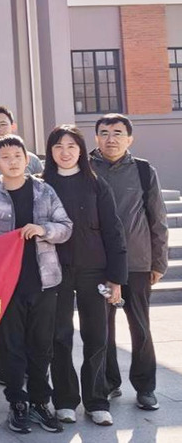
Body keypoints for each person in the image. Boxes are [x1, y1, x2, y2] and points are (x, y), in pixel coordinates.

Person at [0, 134, 72, 435]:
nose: (13, 162)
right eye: (5, 157)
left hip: (44, 280)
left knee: (41, 346)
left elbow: (66, 227)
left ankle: (41, 402)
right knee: (12, 347)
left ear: (27, 158)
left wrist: (43, 229)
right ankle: (17, 402)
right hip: (7, 285)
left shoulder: (44, 190)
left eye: (18, 155)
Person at [43, 125, 126, 426]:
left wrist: (116, 277)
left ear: (81, 150)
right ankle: (65, 400)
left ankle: (96, 400)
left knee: (97, 335)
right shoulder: (42, 184)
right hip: (56, 270)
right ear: (50, 152)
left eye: (71, 146)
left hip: (95, 270)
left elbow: (113, 230)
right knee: (59, 335)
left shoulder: (95, 183)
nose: (65, 152)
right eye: (58, 147)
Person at [90, 113, 168, 412]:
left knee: (140, 328)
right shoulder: (86, 168)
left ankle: (146, 387)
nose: (111, 139)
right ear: (96, 137)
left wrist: (158, 262)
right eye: (104, 132)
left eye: (118, 133)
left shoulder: (144, 171)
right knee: (102, 328)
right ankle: (110, 382)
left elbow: (157, 219)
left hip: (137, 262)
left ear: (129, 139)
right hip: (99, 264)